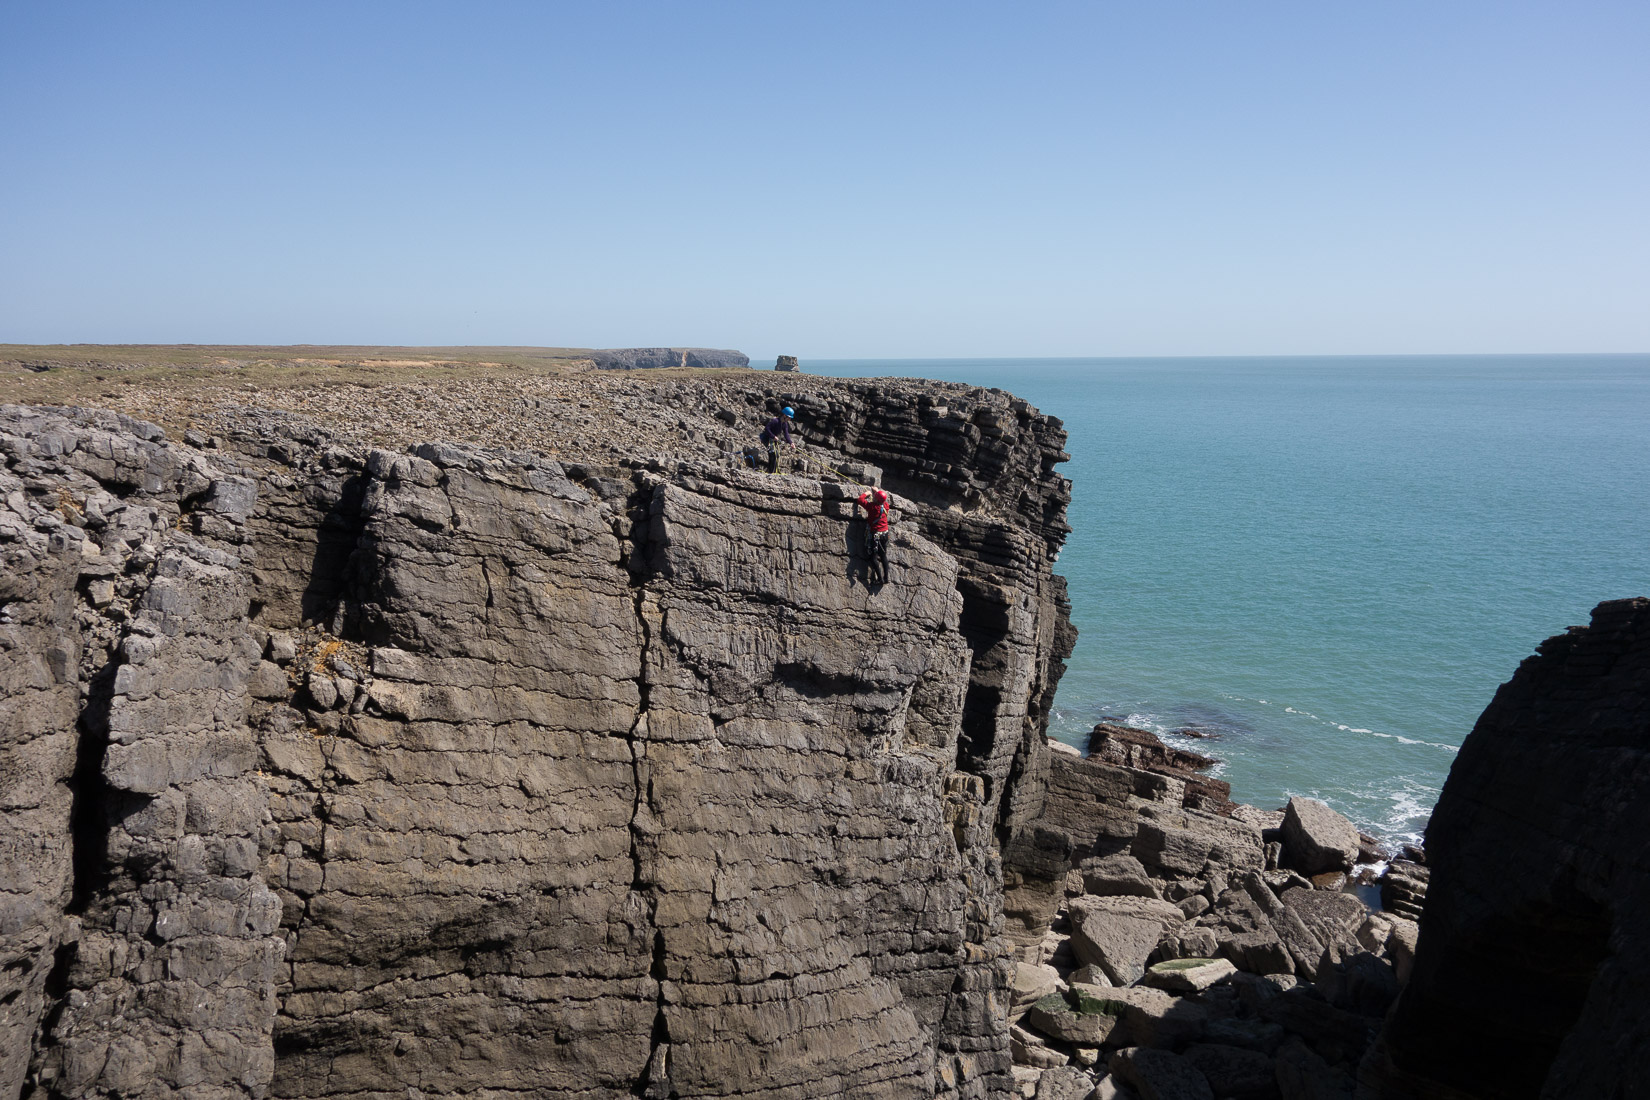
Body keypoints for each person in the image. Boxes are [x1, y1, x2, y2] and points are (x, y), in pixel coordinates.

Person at [856, 485, 892, 584]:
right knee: (883, 555)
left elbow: (860, 500)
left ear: (876, 499)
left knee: (873, 557)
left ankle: (880, 579)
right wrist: (877, 491)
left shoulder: (872, 507)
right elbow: (882, 499)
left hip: (875, 536)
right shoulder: (886, 506)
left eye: (875, 497)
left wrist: (866, 494)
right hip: (884, 534)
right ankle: (886, 578)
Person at [760, 407, 796, 473]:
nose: (790, 419)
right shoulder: (775, 421)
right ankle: (771, 472)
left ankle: (772, 471)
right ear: (784, 415)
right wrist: (773, 436)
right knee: (773, 454)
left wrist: (791, 443)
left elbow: (786, 434)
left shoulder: (784, 424)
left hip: (773, 440)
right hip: (766, 438)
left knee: (776, 455)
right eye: (789, 417)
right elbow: (767, 429)